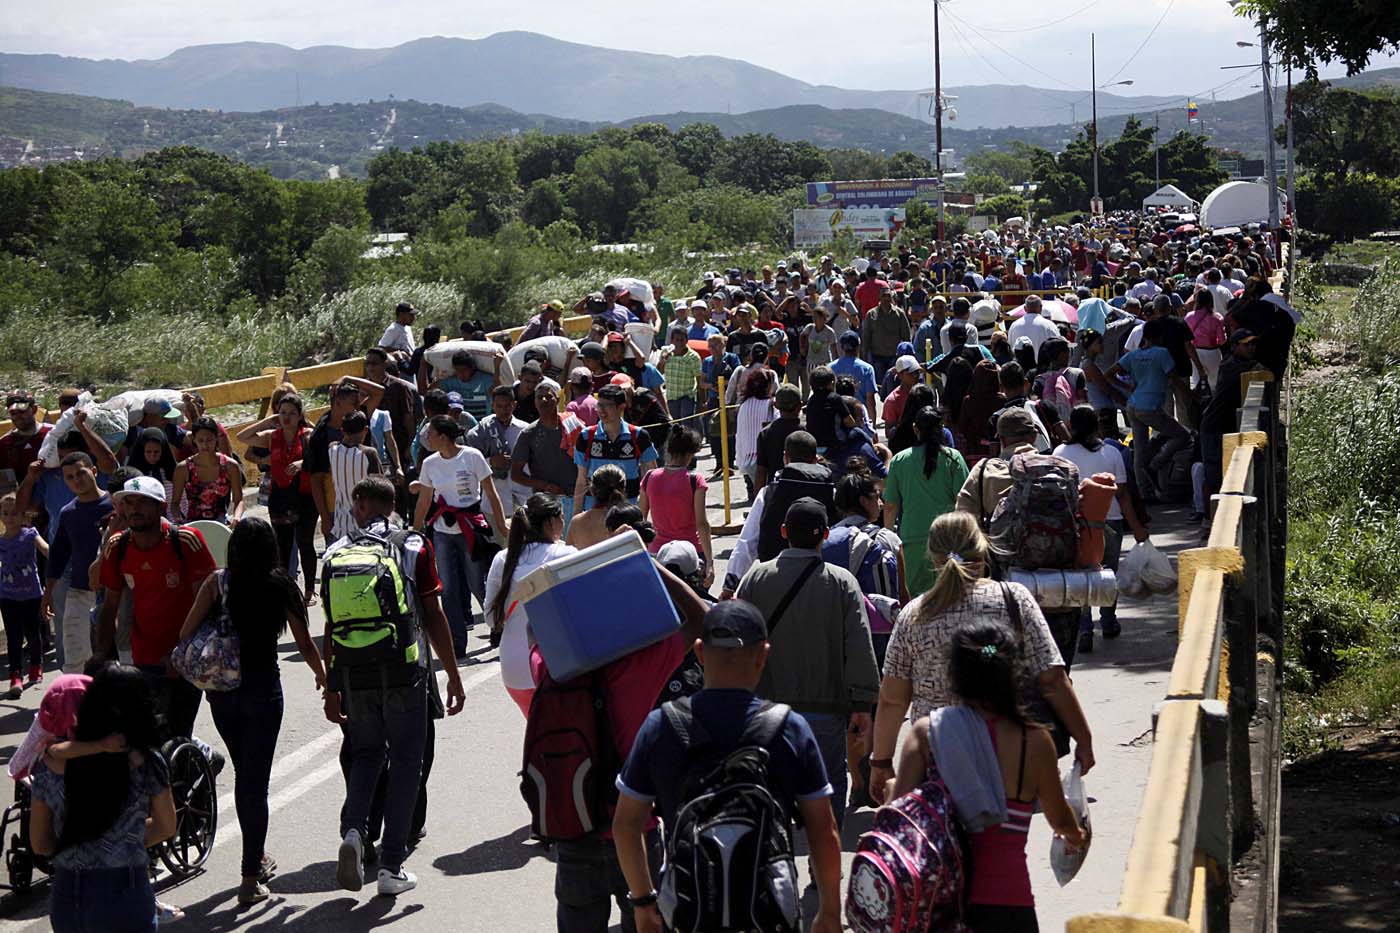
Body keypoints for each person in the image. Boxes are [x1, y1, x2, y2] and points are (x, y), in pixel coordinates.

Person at [612, 600, 844, 933]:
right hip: (766, 913)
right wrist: (830, 911)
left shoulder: (661, 726)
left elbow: (626, 825)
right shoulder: (789, 728)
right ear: (763, 654)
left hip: (688, 911)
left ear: (699, 653)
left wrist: (643, 902)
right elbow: (824, 830)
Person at [870, 512, 1096, 804]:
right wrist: (1084, 738)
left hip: (937, 761)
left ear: (933, 556)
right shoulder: (1014, 600)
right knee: (1003, 844)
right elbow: (1052, 680)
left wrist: (881, 762)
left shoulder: (914, 616)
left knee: (948, 842)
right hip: (1008, 759)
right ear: (982, 547)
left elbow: (893, 699)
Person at [883, 620, 1086, 933]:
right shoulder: (1034, 740)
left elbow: (897, 820)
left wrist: (890, 789)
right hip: (1010, 906)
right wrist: (1075, 836)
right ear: (1013, 674)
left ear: (955, 675)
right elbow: (1059, 819)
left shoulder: (927, 734)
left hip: (941, 906)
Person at [323, 475, 466, 898]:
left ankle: (354, 832)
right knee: (406, 762)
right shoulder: (413, 545)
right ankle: (391, 867)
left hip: (353, 671)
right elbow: (433, 613)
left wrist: (333, 687)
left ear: (364, 504)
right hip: (405, 670)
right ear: (394, 504)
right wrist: (452, 674)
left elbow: (331, 626)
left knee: (367, 754)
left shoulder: (336, 551)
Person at [178, 517, 325, 904]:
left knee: (246, 775)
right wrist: (322, 676)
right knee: (254, 783)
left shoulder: (218, 582)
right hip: (263, 691)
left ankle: (255, 858)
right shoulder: (281, 585)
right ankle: (249, 877)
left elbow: (185, 631)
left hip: (223, 692)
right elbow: (306, 643)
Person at [734, 498, 880, 831]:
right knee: (827, 783)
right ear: (826, 535)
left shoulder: (755, 577)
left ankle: (776, 861)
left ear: (784, 532)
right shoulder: (841, 582)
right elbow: (858, 643)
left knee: (773, 786)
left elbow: (737, 640)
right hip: (825, 710)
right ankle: (822, 867)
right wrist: (861, 705)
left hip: (767, 711)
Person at [29, 664, 177, 933]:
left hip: (68, 892)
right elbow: (166, 826)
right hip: (126, 891)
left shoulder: (50, 765)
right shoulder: (147, 762)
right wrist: (122, 841)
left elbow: (40, 843)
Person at [95, 476, 218, 742]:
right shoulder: (117, 546)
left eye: (142, 503)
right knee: (147, 735)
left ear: (161, 507)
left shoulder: (186, 540)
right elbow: (109, 607)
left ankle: (198, 763)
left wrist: (182, 653)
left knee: (178, 733)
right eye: (128, 502)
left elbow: (208, 603)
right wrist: (100, 655)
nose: (134, 509)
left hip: (186, 657)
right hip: (143, 658)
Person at [1053, 406, 1150, 653]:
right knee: (1108, 573)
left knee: (1080, 574)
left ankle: (1084, 628)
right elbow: (1124, 494)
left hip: (1076, 522)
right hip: (1110, 520)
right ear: (1097, 425)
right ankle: (1108, 621)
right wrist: (1137, 527)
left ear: (1071, 426)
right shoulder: (1111, 453)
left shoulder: (1060, 453)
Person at [412, 414, 508, 658]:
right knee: (448, 588)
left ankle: (498, 624)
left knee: (477, 582)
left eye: (430, 433)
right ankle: (457, 641)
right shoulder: (430, 464)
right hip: (443, 531)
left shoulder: (472, 457)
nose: (427, 438)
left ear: (443, 437)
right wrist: (415, 531)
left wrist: (501, 524)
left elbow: (491, 492)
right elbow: (424, 499)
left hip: (470, 526)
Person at [484, 494, 575, 714]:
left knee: (540, 735)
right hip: (557, 665)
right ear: (550, 522)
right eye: (562, 517)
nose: (564, 523)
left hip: (514, 668)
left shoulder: (503, 558)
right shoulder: (566, 554)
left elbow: (490, 618)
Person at [235, 392, 318, 605]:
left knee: (305, 542)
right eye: (282, 413)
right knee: (282, 545)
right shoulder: (272, 436)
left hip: (304, 495)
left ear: (300, 415)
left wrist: (301, 464)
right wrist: (267, 421)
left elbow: (322, 455)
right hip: (280, 496)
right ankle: (286, 590)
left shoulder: (308, 434)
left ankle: (310, 591)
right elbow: (241, 437)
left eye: (291, 413)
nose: (286, 417)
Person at [883, 407, 970, 598]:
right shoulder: (954, 459)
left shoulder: (899, 460)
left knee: (917, 601)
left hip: (912, 540)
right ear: (942, 429)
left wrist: (887, 537)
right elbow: (964, 502)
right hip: (948, 541)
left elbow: (890, 506)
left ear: (915, 429)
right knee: (949, 598)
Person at [1103, 320, 1193, 500]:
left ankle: (1144, 492)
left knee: (1140, 449)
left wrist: (1128, 388)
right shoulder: (1162, 353)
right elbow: (1175, 379)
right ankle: (1155, 466)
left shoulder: (1133, 355)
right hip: (1151, 408)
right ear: (1160, 336)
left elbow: (1108, 374)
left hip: (1133, 406)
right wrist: (1192, 396)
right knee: (1183, 436)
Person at [43, 452, 114, 675]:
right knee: (75, 661)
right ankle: (74, 705)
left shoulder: (116, 505)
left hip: (114, 593)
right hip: (79, 593)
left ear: (94, 471)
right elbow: (58, 556)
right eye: (70, 477)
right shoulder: (68, 513)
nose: (76, 480)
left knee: (114, 657)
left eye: (81, 473)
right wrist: (48, 593)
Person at [306, 378, 385, 545]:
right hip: (336, 510)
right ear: (338, 402)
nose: (359, 405)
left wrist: (347, 378)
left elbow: (379, 391)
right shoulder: (321, 435)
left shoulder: (356, 418)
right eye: (353, 402)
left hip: (357, 514)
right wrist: (325, 517)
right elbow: (316, 479)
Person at [637, 428, 714, 587]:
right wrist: (710, 563)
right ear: (689, 455)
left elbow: (641, 519)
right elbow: (702, 523)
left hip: (658, 554)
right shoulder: (695, 481)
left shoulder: (649, 477)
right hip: (691, 555)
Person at [571, 385, 659, 512]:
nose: (601, 410)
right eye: (599, 405)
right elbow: (581, 480)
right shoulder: (585, 437)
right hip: (594, 510)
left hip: (628, 509)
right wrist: (576, 516)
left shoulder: (639, 436)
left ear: (621, 407)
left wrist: (644, 511)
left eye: (607, 405)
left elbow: (651, 475)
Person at [511, 379, 581, 527]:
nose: (544, 400)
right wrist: (546, 486)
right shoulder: (528, 434)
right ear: (535, 402)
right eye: (539, 397)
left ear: (557, 400)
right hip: (546, 502)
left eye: (549, 396)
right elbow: (516, 474)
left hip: (576, 498)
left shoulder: (572, 425)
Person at [1, 492, 46, 697]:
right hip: (7, 596)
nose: (10, 517)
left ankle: (36, 664)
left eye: (14, 513)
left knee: (33, 634)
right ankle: (15, 675)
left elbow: (46, 549)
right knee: (13, 636)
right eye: (5, 513)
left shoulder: (30, 534)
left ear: (23, 516)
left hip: (31, 594)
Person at [468, 385, 529, 531]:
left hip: (523, 499)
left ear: (514, 405)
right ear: (492, 405)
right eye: (499, 406)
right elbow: (472, 463)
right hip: (493, 502)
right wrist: (491, 462)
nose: (503, 410)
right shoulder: (483, 429)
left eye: (507, 406)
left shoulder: (525, 430)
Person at [170, 417, 243, 524]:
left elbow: (238, 500)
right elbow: (175, 503)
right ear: (194, 439)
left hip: (222, 525)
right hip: (193, 526)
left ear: (216, 438)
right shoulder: (183, 469)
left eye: (209, 440)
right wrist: (178, 519)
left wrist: (236, 518)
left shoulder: (230, 466)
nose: (205, 445)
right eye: (200, 440)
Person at [328, 410, 382, 540]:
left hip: (341, 524)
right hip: (366, 525)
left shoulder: (332, 449)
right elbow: (381, 487)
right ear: (365, 429)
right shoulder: (368, 454)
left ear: (342, 430)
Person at [734, 368, 776, 502]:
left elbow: (739, 436)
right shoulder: (771, 405)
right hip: (765, 461)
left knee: (759, 499)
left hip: (747, 460)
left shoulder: (744, 405)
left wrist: (740, 462)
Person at [565, 463, 628, 550]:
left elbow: (567, 557)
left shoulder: (576, 522)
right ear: (623, 489)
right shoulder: (628, 520)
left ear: (591, 490)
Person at [753, 384, 803, 490]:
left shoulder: (765, 433)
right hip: (804, 489)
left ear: (775, 405)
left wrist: (758, 500)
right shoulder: (806, 431)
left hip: (776, 491)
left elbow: (761, 471)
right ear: (800, 406)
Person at [861, 287, 912, 383]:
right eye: (884, 296)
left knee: (893, 383)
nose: (886, 299)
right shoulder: (871, 314)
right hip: (877, 357)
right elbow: (866, 337)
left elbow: (906, 335)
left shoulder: (899, 313)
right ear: (879, 298)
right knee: (879, 383)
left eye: (888, 296)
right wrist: (864, 356)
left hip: (894, 357)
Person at [657, 325, 702, 430]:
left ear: (686, 340)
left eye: (682, 340)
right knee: (675, 424)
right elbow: (659, 372)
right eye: (677, 340)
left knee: (686, 423)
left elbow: (699, 380)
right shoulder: (666, 353)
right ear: (672, 340)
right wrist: (663, 361)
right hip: (672, 395)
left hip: (687, 394)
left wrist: (701, 401)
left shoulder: (693, 357)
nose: (680, 343)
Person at [831, 332, 878, 425]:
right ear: (858, 347)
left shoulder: (831, 368)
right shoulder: (867, 369)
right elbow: (870, 400)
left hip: (838, 418)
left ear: (841, 347)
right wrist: (872, 425)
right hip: (860, 418)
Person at [1007, 294, 1060, 360]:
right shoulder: (1050, 326)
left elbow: (1010, 348)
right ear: (1041, 307)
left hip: (1020, 367)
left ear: (1025, 308)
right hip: (1043, 368)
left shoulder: (1014, 326)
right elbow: (1057, 348)